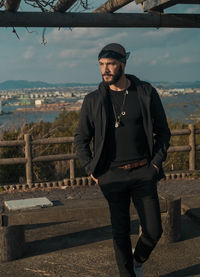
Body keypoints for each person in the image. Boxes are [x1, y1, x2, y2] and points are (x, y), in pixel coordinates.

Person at [74, 43, 171, 277]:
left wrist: (155, 164)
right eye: (101, 65)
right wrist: (91, 169)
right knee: (120, 233)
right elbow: (81, 139)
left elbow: (163, 132)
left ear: (123, 64)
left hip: (143, 172)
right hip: (111, 175)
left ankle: (138, 260)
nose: (105, 69)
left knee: (153, 230)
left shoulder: (145, 93)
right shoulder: (93, 100)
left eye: (110, 64)